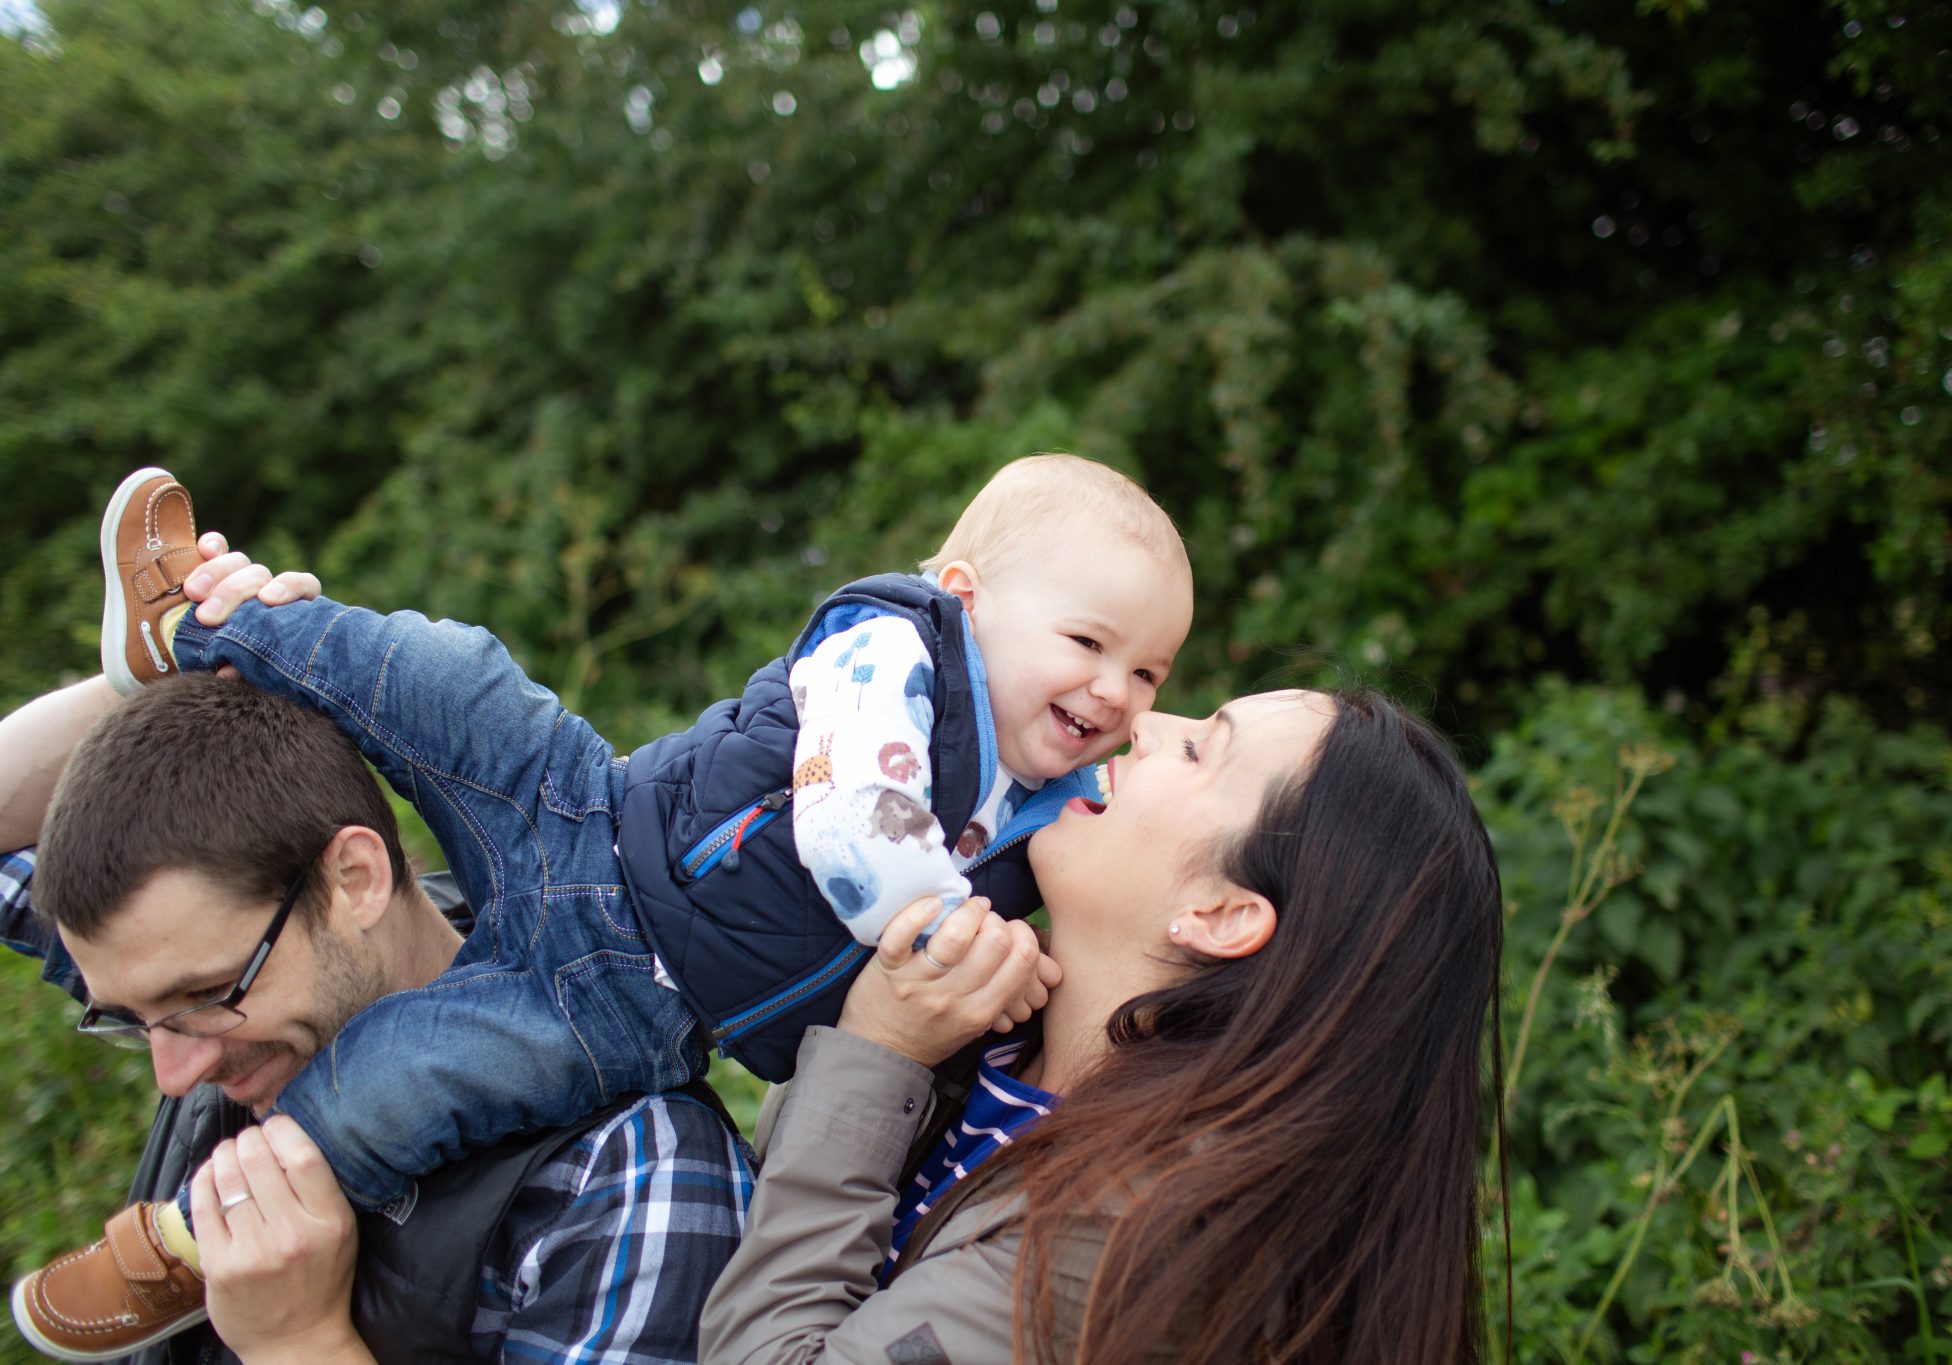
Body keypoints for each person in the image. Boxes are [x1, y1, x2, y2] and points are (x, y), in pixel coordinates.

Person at [20, 454, 1192, 1358]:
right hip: (587, 816)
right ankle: (187, 620)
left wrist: (296, 1344)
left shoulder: (637, 1188)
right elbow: (854, 818)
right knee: (449, 676)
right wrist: (151, 689)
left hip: (623, 1013)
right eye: (1087, 642)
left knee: (387, 1094)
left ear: (353, 879)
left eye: (1148, 673)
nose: (1115, 691)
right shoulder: (892, 649)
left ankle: (171, 1250)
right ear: (964, 594)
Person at [700, 687, 1508, 1364]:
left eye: (1199, 751)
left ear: (1221, 914)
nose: (1150, 722)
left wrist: (877, 1050)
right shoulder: (988, 1039)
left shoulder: (1122, 1250)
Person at [2, 667, 755, 1364]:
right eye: (131, 1017)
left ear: (355, 880)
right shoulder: (179, 963)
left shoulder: (634, 1168)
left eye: (206, 996)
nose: (176, 1074)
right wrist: (170, 654)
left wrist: (299, 1341)